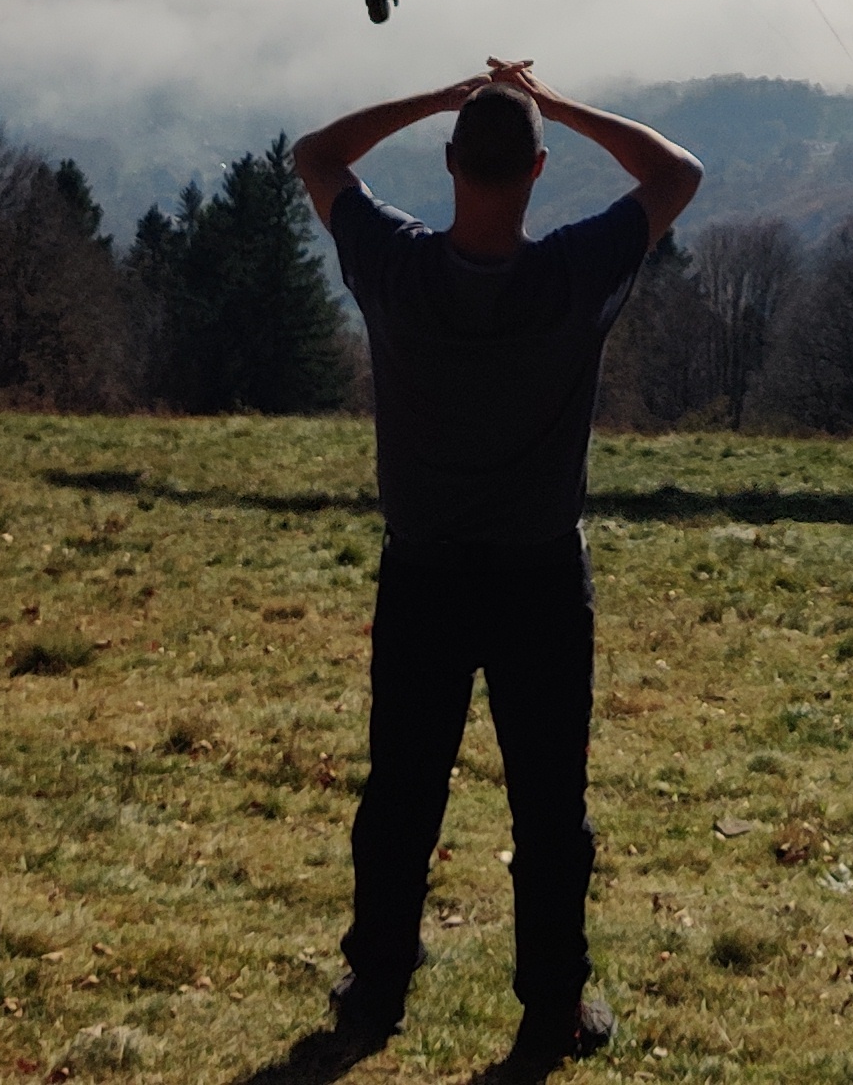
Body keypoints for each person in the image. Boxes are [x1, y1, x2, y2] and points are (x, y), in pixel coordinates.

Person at [292, 56, 703, 1067]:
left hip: (423, 573)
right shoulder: (571, 274)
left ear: (449, 161)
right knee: (549, 805)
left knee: (402, 792)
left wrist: (440, 100)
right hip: (540, 580)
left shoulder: (396, 269)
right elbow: (676, 173)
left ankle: (376, 987)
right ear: (536, 170)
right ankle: (551, 1008)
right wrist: (550, 105)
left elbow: (316, 156)